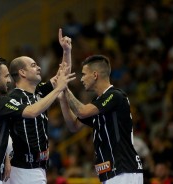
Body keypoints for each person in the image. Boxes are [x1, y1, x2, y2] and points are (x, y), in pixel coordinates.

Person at [0, 57, 75, 184]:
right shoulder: (0, 102)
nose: (8, 80)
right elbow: (31, 112)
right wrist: (57, 90)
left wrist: (6, 157)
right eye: (6, 76)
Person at [58, 55, 143, 183]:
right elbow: (73, 126)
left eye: (84, 74)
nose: (81, 79)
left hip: (123, 170)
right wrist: (63, 98)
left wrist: (65, 87)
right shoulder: (97, 103)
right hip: (111, 173)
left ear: (95, 75)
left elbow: (81, 112)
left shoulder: (115, 95)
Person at [4, 28, 72, 184]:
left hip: (39, 167)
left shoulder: (39, 92)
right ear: (22, 72)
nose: (39, 67)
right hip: (21, 169)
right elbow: (33, 111)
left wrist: (67, 51)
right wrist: (58, 89)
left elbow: (63, 76)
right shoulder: (13, 99)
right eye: (33, 65)